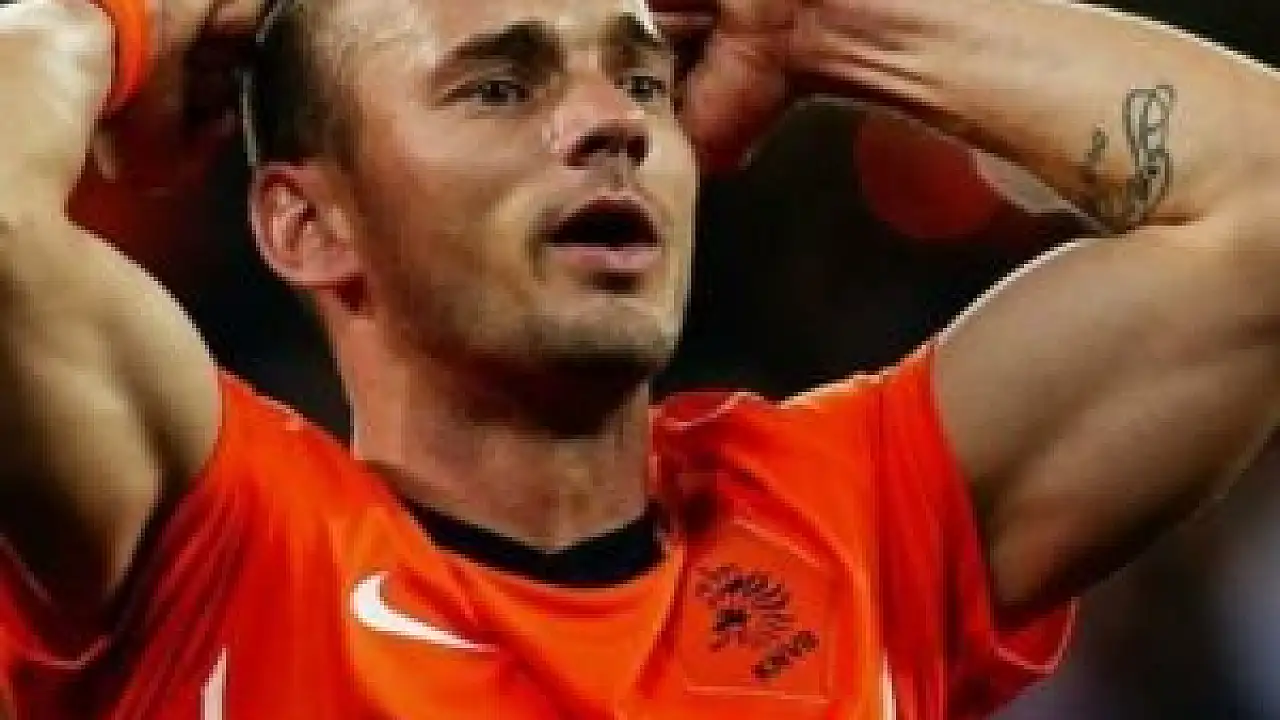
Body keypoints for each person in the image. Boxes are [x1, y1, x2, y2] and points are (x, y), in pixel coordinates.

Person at [1, 0, 1278, 717]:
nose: (608, 122)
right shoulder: (220, 547)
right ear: (306, 223)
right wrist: (108, 19)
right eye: (497, 88)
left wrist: (819, 27)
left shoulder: (851, 522)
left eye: (642, 80)